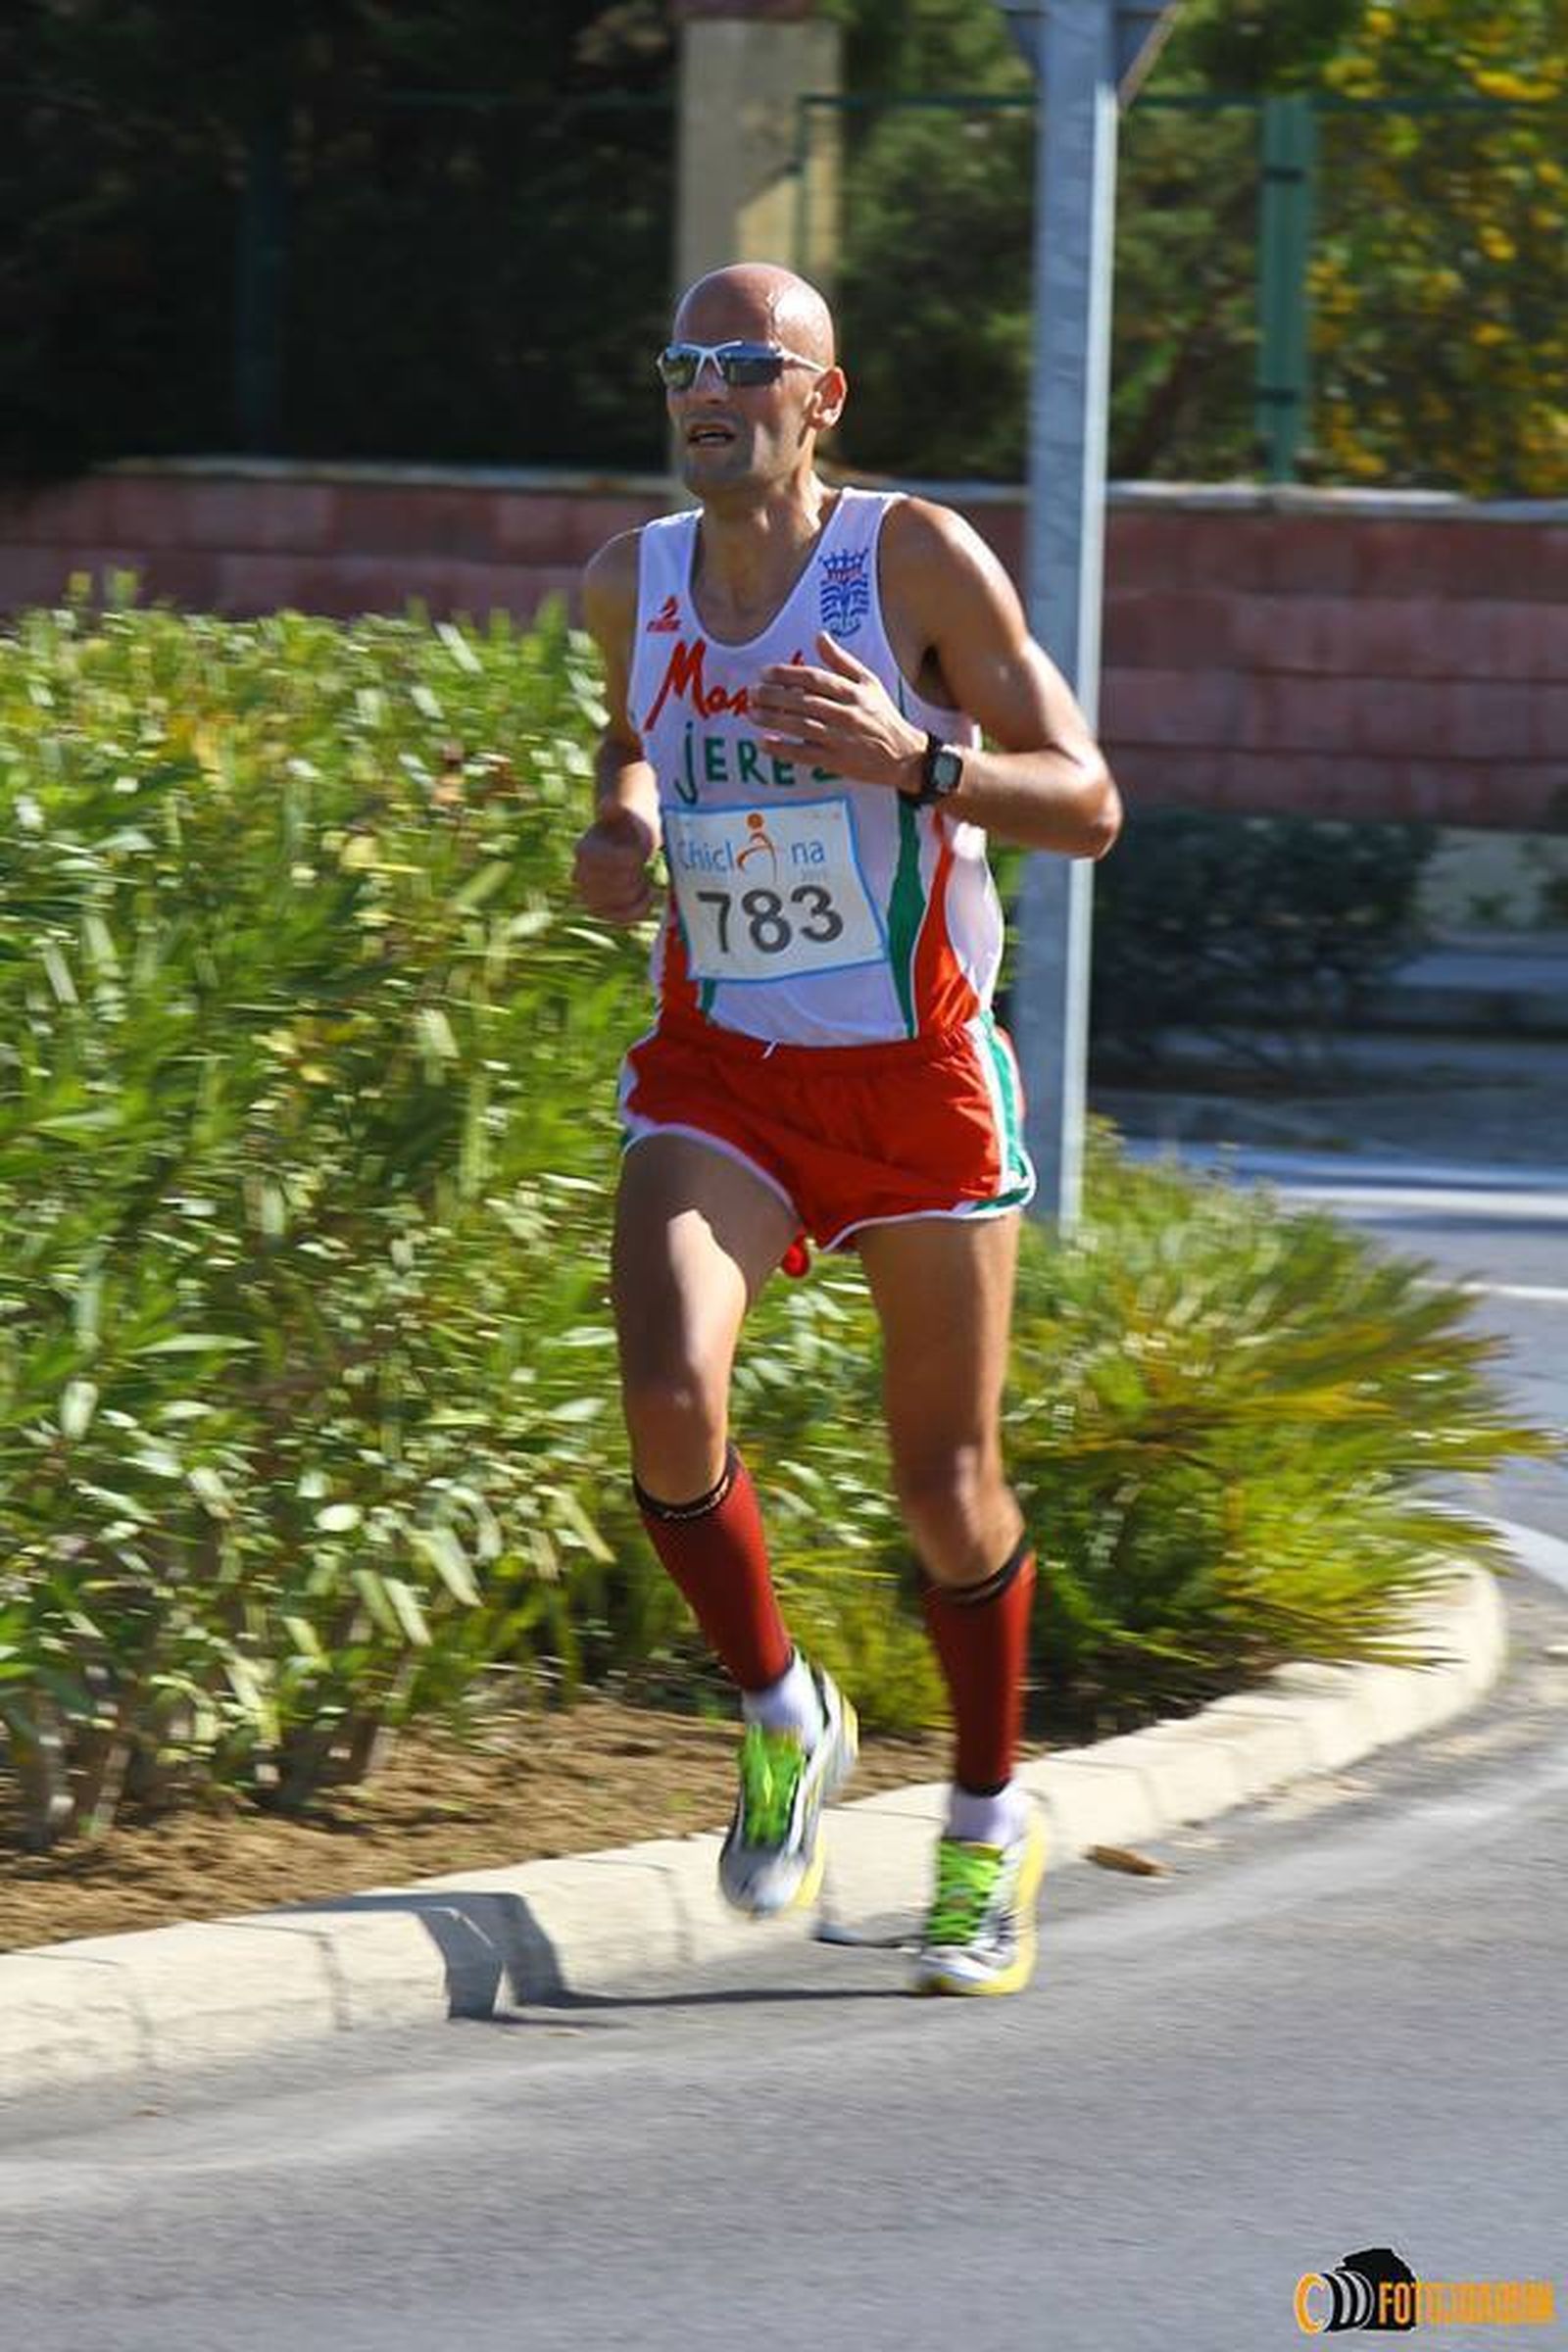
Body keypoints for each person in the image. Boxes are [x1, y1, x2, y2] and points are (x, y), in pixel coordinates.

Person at [571, 262, 1120, 1996]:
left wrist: (922, 763)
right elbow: (629, 746)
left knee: (947, 1489)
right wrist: (620, 826)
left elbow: (1091, 802)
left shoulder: (914, 565)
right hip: (722, 1068)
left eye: (748, 361)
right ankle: (781, 1709)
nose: (706, 387)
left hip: (914, 1077)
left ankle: (982, 1824)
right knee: (665, 1391)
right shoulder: (627, 584)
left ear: (826, 397)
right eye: (683, 361)